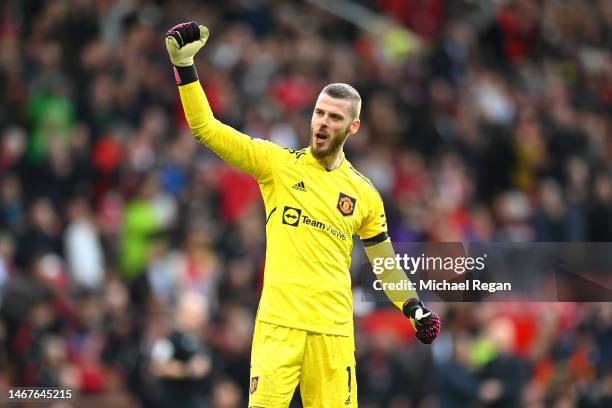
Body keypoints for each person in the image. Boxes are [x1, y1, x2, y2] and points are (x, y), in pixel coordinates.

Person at [164, 22, 441, 407]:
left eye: (334, 118)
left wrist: (414, 307)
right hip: (279, 328)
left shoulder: (364, 194)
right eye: (319, 113)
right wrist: (185, 67)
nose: (323, 123)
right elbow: (205, 129)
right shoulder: (277, 165)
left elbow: (384, 264)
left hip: (333, 334)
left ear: (353, 127)